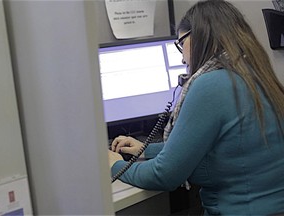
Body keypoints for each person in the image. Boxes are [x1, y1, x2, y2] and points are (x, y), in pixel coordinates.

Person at [108, 0, 284, 214]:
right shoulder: (254, 72)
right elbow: (215, 147)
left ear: (200, 35)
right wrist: (146, 150)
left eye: (181, 44)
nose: (182, 58)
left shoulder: (212, 84)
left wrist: (114, 165)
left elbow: (165, 176)